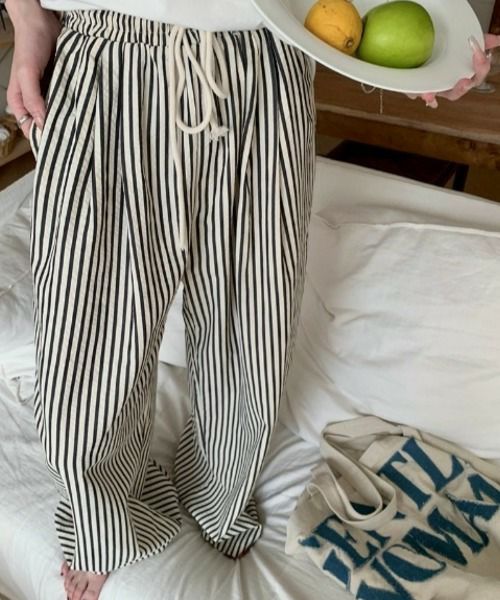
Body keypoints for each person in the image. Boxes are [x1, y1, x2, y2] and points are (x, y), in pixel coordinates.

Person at [5, 1, 500, 599]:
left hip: (265, 61)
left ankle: (219, 495)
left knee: (250, 325)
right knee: (88, 337)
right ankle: (102, 521)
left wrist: (440, 29)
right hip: (105, 59)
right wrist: (28, 20)